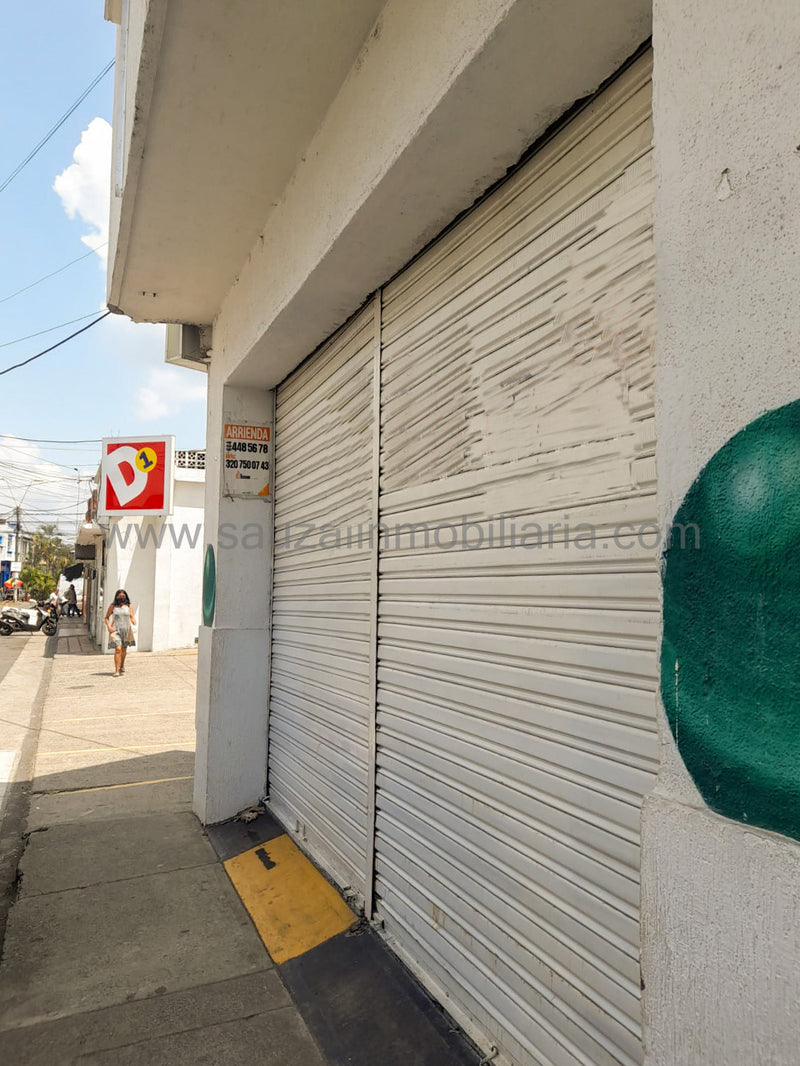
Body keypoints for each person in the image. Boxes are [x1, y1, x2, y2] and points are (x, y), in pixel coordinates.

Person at [104, 589, 136, 677]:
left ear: (126, 597)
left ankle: (122, 665)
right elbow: (106, 618)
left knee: (124, 650)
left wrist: (134, 622)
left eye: (123, 596)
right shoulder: (113, 606)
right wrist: (109, 627)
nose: (121, 598)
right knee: (118, 649)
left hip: (126, 630)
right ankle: (117, 670)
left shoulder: (129, 606)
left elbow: (132, 616)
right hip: (115, 630)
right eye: (119, 596)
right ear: (116, 597)